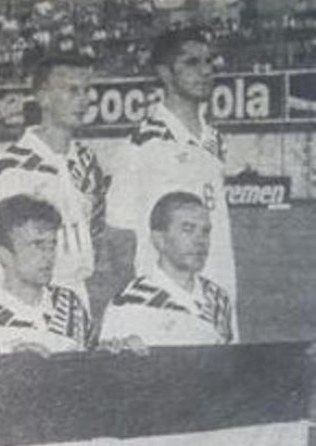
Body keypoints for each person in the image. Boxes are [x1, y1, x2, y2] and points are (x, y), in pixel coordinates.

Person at [107, 26, 236, 325]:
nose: (206, 70)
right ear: (165, 73)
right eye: (192, 62)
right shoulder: (142, 144)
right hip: (164, 304)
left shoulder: (214, 140)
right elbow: (118, 237)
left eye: (209, 61)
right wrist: (139, 304)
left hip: (220, 292)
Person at [0, 53, 113, 313]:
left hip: (78, 294)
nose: (83, 99)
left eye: (86, 90)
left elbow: (96, 233)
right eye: (71, 90)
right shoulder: (10, 165)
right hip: (29, 296)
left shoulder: (87, 162)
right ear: (44, 97)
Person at [0, 195, 92, 358]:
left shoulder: (71, 305)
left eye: (52, 244)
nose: (48, 255)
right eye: (37, 245)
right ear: (3, 255)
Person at [99, 192, 234, 346]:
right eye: (188, 229)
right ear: (159, 240)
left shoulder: (218, 298)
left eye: (205, 231)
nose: (200, 240)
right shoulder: (129, 302)